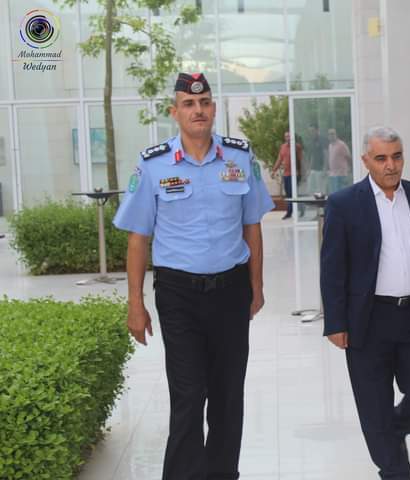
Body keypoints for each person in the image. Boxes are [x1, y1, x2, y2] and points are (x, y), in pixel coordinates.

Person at [113, 72, 274, 480]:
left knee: (227, 395)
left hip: (231, 290)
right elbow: (138, 238)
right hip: (178, 294)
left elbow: (252, 225)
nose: (197, 110)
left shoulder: (239, 158)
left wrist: (256, 287)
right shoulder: (153, 164)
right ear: (175, 112)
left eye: (204, 103)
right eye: (188, 104)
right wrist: (135, 303)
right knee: (188, 394)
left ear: (213, 109)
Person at [321, 126, 410, 479]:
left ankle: (391, 431)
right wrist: (335, 322)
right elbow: (333, 268)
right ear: (365, 160)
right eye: (381, 158)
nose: (391, 165)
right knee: (374, 404)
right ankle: (395, 470)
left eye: (396, 157)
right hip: (368, 320)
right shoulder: (344, 204)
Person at [272, 131, 303, 219]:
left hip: (295, 174)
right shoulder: (283, 147)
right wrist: (274, 170)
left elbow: (301, 159)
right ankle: (289, 212)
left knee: (296, 193)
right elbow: (279, 159)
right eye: (286, 136)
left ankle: (301, 210)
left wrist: (301, 172)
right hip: (286, 174)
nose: (288, 138)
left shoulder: (297, 147)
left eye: (289, 136)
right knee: (288, 194)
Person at [327, 127, 352, 193]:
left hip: (341, 174)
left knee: (341, 193)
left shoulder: (341, 145)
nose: (331, 135)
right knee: (334, 193)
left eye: (333, 134)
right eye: (329, 134)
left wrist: (349, 168)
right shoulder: (330, 145)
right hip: (332, 174)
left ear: (336, 134)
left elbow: (348, 157)